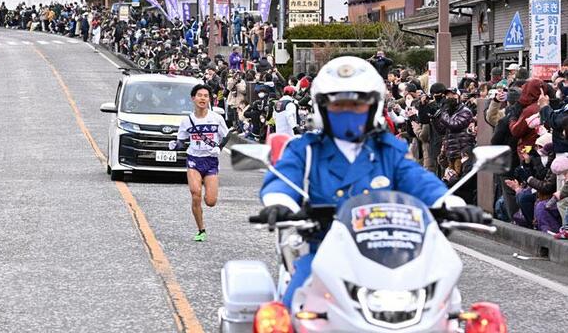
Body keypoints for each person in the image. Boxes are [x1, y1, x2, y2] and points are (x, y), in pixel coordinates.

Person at [255, 56, 485, 309]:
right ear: (322, 108)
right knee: (291, 309)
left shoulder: (389, 149)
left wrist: (449, 202)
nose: (348, 111)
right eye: (339, 105)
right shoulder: (306, 149)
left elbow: (419, 181)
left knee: (446, 308)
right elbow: (282, 180)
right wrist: (280, 204)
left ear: (373, 107)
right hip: (323, 253)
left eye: (357, 105)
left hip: (390, 254)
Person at [169, 85, 229, 242]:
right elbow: (181, 142)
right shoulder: (187, 121)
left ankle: (207, 196)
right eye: (200, 95)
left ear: (209, 99)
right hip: (194, 159)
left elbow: (227, 136)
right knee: (195, 194)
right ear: (193, 98)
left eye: (206, 96)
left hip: (211, 161)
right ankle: (201, 229)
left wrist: (219, 148)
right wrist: (175, 145)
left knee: (210, 201)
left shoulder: (216, 118)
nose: (203, 98)